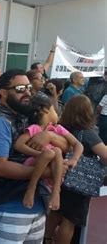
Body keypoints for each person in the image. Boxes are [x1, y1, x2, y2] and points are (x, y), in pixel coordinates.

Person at [0, 69, 69, 243]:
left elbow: (66, 144)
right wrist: (47, 172)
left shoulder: (27, 116)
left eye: (28, 87)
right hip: (9, 207)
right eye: (20, 88)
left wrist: (49, 136)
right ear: (3, 93)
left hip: (37, 206)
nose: (27, 92)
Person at [44, 95, 107, 244]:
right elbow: (105, 155)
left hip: (59, 176)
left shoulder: (60, 128)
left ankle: (46, 239)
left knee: (55, 212)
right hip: (78, 181)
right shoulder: (87, 133)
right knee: (69, 220)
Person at [14, 96, 83, 211]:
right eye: (55, 111)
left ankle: (56, 190)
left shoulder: (57, 129)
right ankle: (32, 187)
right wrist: (38, 154)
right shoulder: (34, 128)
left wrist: (74, 159)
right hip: (35, 162)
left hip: (53, 166)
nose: (57, 114)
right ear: (46, 110)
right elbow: (19, 144)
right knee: (52, 152)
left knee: (56, 151)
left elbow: (77, 144)